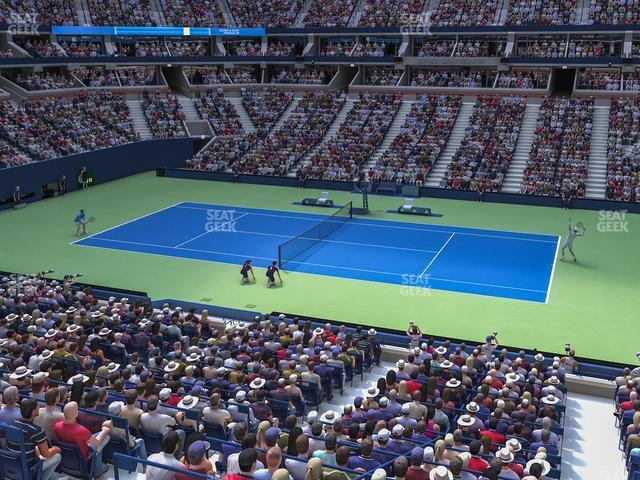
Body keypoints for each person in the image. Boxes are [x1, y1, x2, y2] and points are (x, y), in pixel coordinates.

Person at [53, 401, 111, 478]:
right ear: (76, 414)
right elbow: (97, 443)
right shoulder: (82, 431)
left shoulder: (57, 426)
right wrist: (105, 430)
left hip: (66, 459)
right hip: (83, 459)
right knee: (105, 437)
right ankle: (97, 471)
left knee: (96, 436)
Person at [9, 398, 61, 480]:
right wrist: (56, 449)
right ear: (33, 412)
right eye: (37, 406)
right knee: (57, 456)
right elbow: (46, 454)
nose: (39, 407)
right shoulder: (37, 431)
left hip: (12, 465)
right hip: (28, 468)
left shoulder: (13, 423)